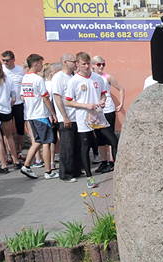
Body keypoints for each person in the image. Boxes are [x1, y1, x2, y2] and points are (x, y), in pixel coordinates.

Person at [64, 51, 118, 190]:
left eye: (88, 63)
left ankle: (118, 170)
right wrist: (86, 105)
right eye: (84, 64)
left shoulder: (97, 78)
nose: (87, 66)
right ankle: (89, 177)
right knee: (85, 146)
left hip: (98, 116)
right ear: (77, 64)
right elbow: (68, 102)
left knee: (113, 140)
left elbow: (103, 94)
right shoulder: (74, 81)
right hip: (84, 118)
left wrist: (102, 101)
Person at [19, 54, 58, 179]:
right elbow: (45, 97)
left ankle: (26, 166)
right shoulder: (38, 79)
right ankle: (48, 171)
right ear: (35, 64)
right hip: (41, 115)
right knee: (47, 142)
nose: (42, 66)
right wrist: (53, 113)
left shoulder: (25, 78)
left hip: (30, 115)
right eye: (41, 63)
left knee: (37, 141)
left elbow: (22, 97)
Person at [92, 56, 124, 174]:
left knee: (110, 136)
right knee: (99, 138)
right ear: (93, 65)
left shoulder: (107, 77)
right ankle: (103, 161)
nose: (101, 66)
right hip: (96, 111)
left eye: (103, 64)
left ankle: (113, 161)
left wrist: (121, 104)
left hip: (108, 109)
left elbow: (121, 89)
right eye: (98, 64)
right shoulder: (91, 78)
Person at [51, 54, 79, 182]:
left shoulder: (73, 76)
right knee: (66, 146)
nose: (76, 64)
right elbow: (57, 98)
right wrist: (64, 116)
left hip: (76, 116)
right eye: (74, 62)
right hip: (66, 117)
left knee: (76, 145)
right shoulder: (58, 77)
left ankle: (75, 170)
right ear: (65, 62)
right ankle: (66, 174)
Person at [0, 50, 26, 159]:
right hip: (5, 104)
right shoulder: (0, 70)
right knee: (7, 130)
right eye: (3, 60)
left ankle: (19, 151)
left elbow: (25, 84)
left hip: (19, 103)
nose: (5, 62)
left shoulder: (20, 70)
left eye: (7, 60)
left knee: (20, 129)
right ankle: (10, 153)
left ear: (13, 60)